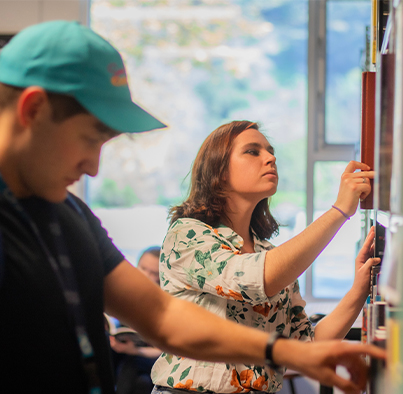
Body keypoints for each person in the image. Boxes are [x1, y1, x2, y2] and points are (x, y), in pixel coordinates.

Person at [0, 21, 382, 394]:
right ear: (32, 110)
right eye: (90, 139)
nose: (95, 167)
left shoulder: (67, 217)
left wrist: (284, 351)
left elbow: (163, 318)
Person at [153, 121, 378, 394]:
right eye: (252, 151)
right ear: (219, 171)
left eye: (270, 151)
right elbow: (252, 279)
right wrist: (340, 210)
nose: (270, 158)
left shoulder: (269, 255)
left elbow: (306, 345)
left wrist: (360, 287)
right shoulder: (186, 235)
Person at [109, 246, 164, 394]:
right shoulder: (125, 293)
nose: (145, 275)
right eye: (143, 268)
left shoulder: (164, 304)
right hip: (123, 351)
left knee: (131, 362)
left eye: (153, 273)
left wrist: (136, 351)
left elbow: (163, 352)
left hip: (147, 357)